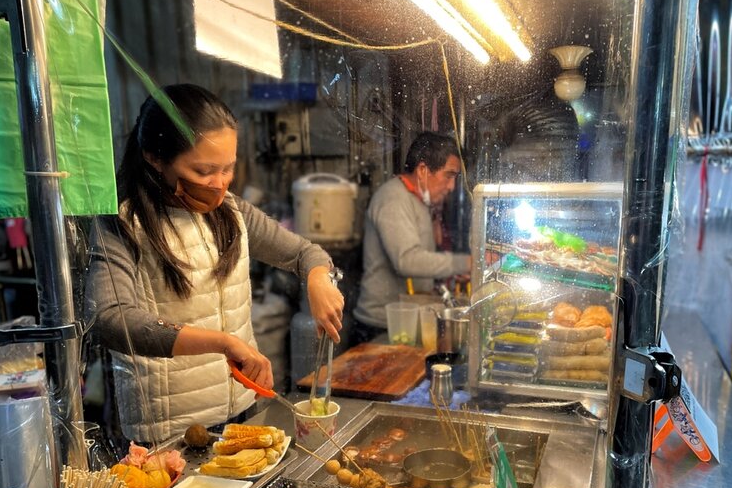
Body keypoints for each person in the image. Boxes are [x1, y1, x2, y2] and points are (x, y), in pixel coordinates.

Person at [86, 84, 344, 443]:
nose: (220, 184)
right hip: (169, 432)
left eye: (228, 168)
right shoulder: (123, 224)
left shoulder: (232, 212)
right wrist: (220, 342)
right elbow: (109, 318)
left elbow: (305, 253)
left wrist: (318, 278)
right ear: (155, 158)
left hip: (241, 411)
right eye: (205, 170)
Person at [352, 132, 471, 344]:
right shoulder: (393, 199)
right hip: (380, 326)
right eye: (449, 175)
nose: (452, 186)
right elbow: (407, 260)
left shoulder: (418, 201)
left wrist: (455, 271)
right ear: (423, 170)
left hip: (405, 320)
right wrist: (464, 263)